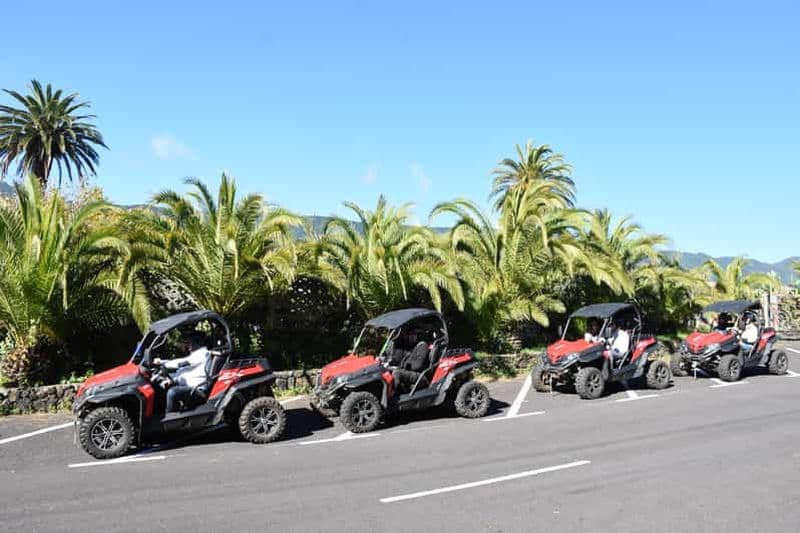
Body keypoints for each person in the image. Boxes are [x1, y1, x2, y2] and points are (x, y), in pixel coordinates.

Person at [163, 333, 211, 412]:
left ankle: (171, 416)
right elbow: (183, 372)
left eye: (190, 342)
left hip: (197, 390)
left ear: (198, 342)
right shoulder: (194, 356)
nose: (188, 345)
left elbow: (181, 363)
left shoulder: (203, 354)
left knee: (172, 393)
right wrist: (169, 379)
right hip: (189, 388)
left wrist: (163, 363)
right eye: (187, 343)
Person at [391, 329, 431, 394]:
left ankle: (392, 395)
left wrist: (406, 366)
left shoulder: (423, 346)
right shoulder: (413, 348)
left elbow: (418, 365)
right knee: (390, 371)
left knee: (397, 373)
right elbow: (403, 362)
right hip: (412, 373)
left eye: (412, 335)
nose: (410, 337)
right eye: (409, 335)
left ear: (417, 336)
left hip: (420, 375)